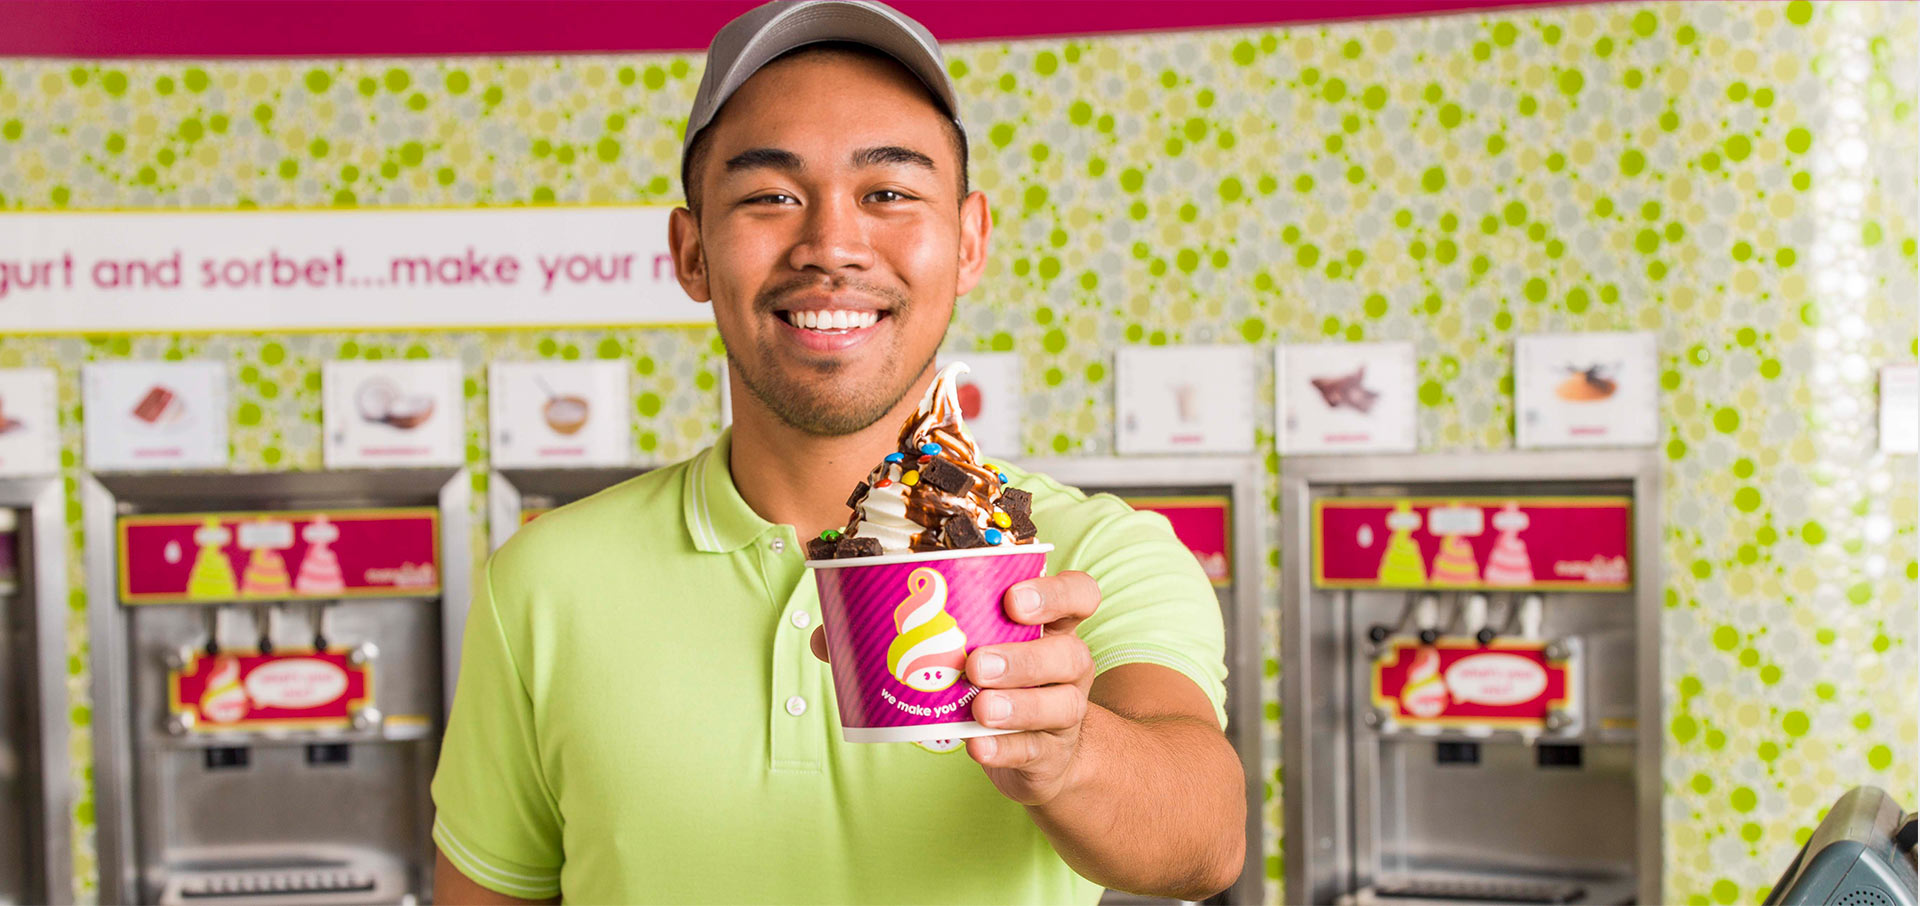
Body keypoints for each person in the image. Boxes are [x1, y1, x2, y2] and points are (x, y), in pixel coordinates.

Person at [429, 2, 1244, 902]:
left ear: (970, 240)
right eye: (771, 196)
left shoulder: (1087, 557)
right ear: (692, 250)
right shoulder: (543, 582)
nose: (831, 246)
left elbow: (1204, 844)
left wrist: (1069, 751)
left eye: (888, 193)